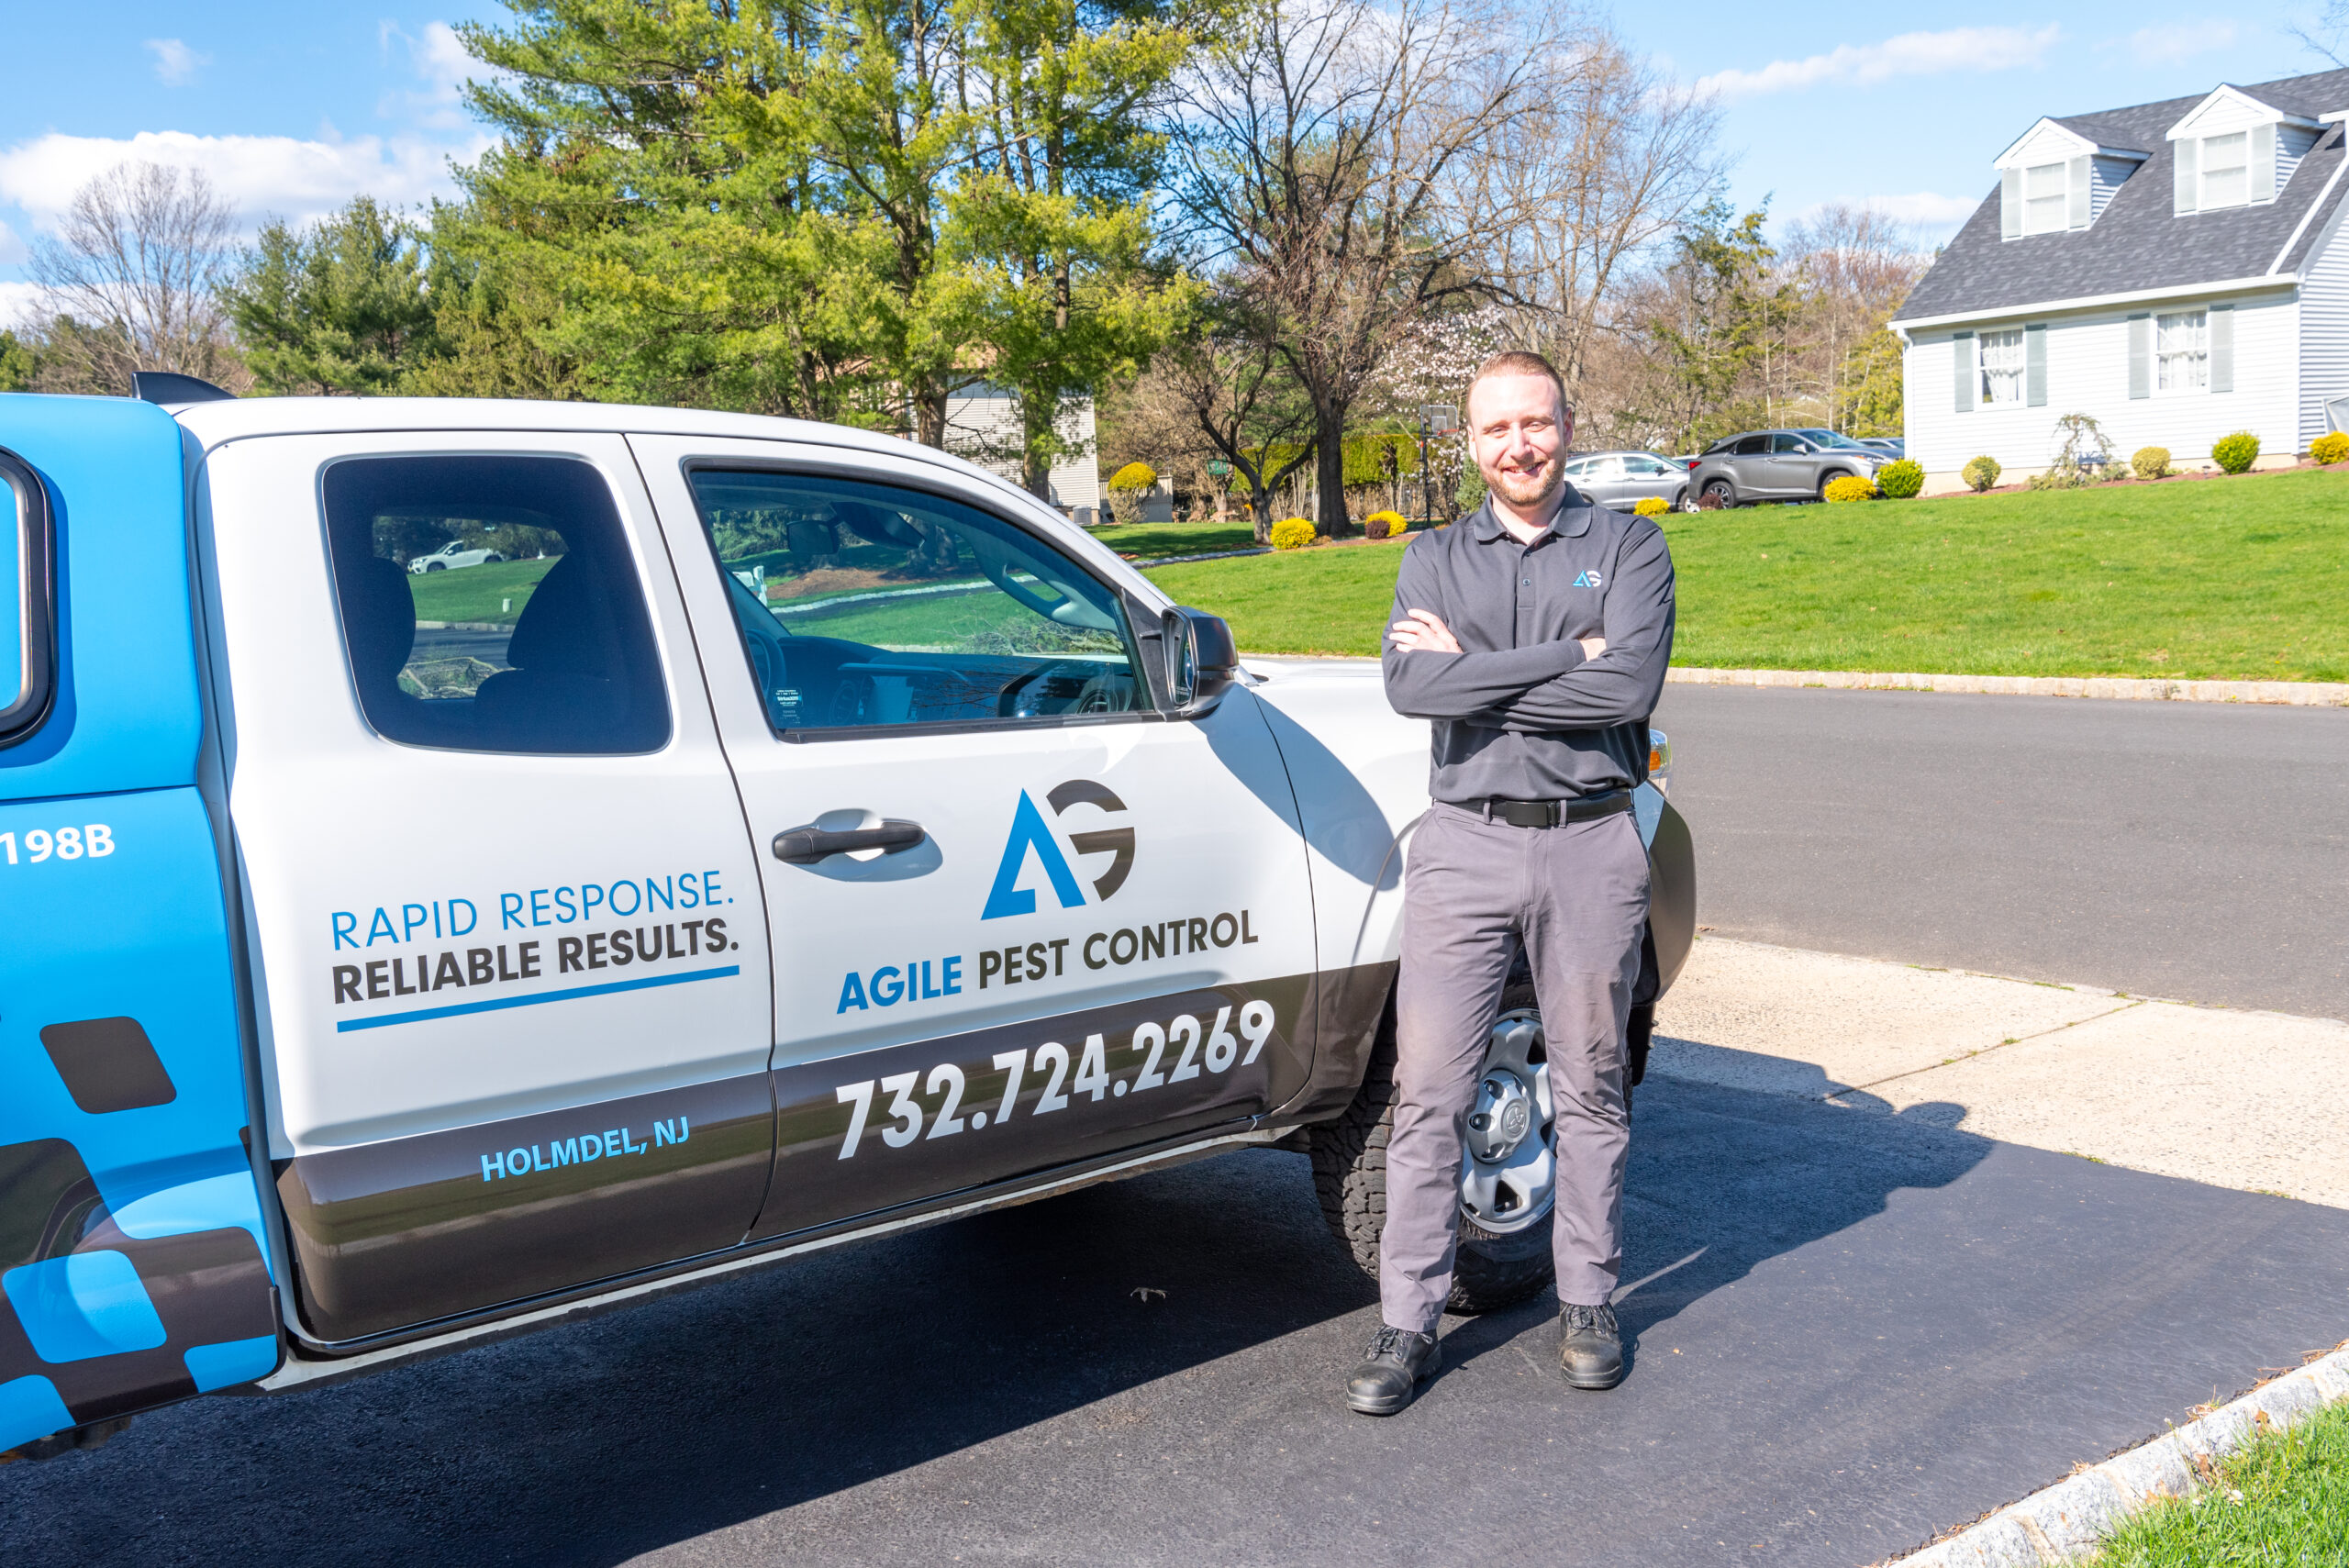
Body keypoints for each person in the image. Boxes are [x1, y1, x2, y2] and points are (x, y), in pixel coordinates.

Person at [1346, 350, 1675, 1417]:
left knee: (1587, 1084)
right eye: (1496, 429)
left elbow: (1624, 683)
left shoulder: (1629, 543)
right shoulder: (1435, 556)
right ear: (1471, 442)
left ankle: (1587, 1299)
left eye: (1534, 423)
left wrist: (1476, 679)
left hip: (1589, 843)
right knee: (1427, 1091)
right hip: (1463, 847)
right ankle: (1405, 1320)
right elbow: (1408, 685)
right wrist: (1560, 658)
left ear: (1566, 425)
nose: (1517, 445)